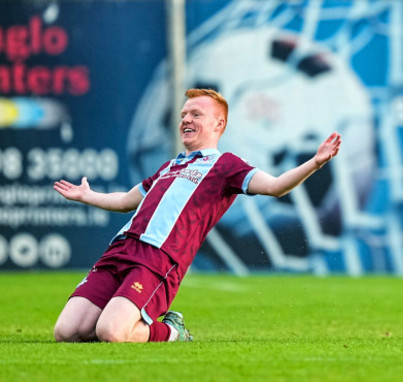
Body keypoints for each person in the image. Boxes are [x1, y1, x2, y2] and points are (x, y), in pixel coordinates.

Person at [52, 88, 342, 342]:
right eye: (183, 114)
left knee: (111, 334)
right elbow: (127, 201)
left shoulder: (226, 165)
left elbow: (276, 187)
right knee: (67, 332)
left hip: (158, 258)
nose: (186, 120)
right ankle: (128, 321)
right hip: (120, 249)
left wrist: (315, 163)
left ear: (219, 124)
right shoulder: (169, 166)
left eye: (196, 114)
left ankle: (172, 331)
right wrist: (87, 196)